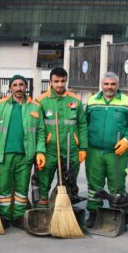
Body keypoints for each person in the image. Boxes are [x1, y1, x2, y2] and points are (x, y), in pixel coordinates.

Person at [85, 72, 128, 228]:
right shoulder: (91, 101)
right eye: (106, 84)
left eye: (113, 84)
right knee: (94, 185)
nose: (109, 87)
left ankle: (117, 214)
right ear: (101, 85)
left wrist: (126, 139)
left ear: (118, 85)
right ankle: (94, 214)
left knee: (117, 185)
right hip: (94, 151)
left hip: (117, 151)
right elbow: (85, 122)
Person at [0, 75, 46, 227]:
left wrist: (40, 151)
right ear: (10, 88)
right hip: (4, 155)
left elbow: (41, 131)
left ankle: (19, 217)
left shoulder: (35, 106)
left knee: (22, 189)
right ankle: (4, 216)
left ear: (26, 87)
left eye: (21, 84)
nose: (18, 88)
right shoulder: (0, 105)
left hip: (25, 156)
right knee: (4, 189)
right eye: (15, 85)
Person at [34, 67, 87, 208]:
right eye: (56, 81)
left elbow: (82, 125)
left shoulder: (75, 100)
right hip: (50, 150)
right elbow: (38, 128)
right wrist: (40, 150)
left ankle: (65, 208)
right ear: (50, 82)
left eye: (62, 81)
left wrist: (83, 148)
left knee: (69, 181)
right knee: (44, 180)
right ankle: (42, 206)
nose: (59, 85)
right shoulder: (41, 101)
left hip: (71, 150)